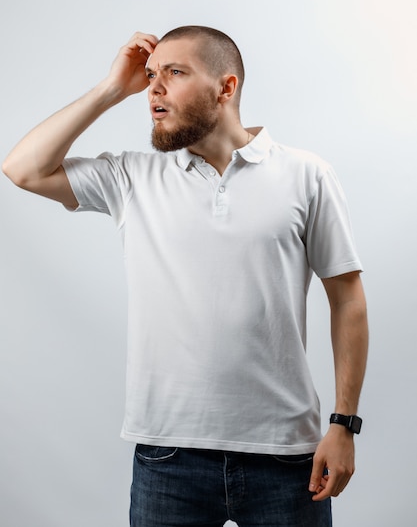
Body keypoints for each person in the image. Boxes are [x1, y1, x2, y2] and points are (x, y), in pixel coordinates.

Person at [3, 26, 368, 527]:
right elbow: (22, 169)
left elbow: (347, 300)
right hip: (167, 459)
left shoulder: (306, 175)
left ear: (226, 86)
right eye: (151, 75)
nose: (154, 87)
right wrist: (112, 88)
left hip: (288, 457)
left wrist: (344, 425)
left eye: (174, 73)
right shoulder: (131, 178)